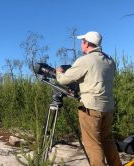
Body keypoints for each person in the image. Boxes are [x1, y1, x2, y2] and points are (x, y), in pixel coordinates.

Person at [56, 31, 122, 166]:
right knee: (107, 139)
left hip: (91, 108)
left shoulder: (85, 60)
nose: (81, 43)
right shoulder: (109, 61)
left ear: (86, 43)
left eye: (82, 41)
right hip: (108, 108)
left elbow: (63, 80)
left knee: (93, 143)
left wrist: (58, 72)